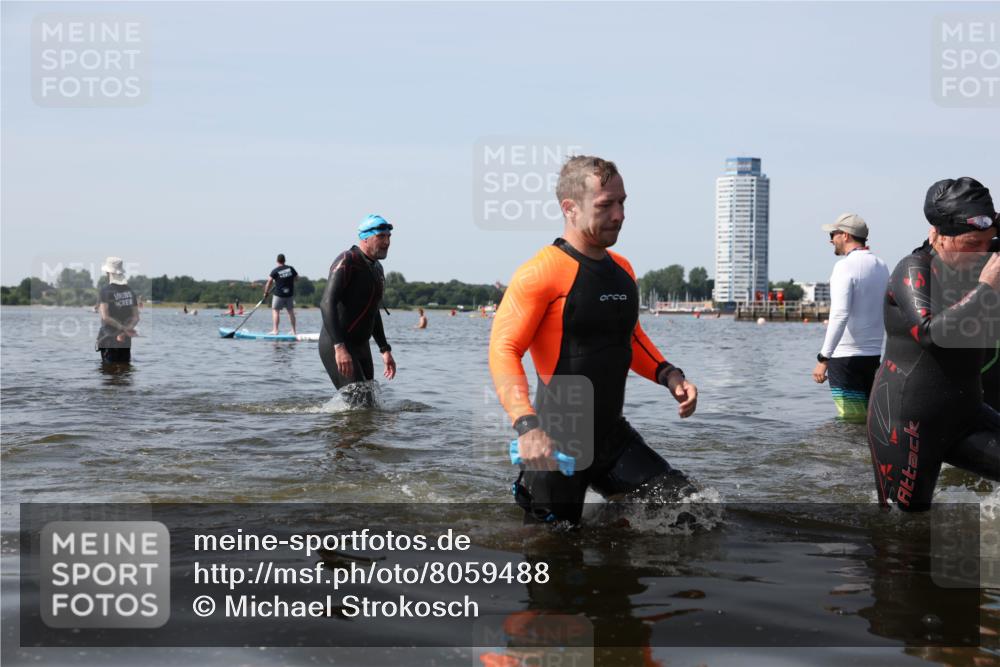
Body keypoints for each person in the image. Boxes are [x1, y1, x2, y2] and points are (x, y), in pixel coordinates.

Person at [489, 156, 698, 525]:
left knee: (691, 510)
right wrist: (527, 426)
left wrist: (670, 375)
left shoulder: (623, 270)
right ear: (569, 208)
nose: (619, 215)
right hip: (555, 442)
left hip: (612, 437)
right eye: (606, 205)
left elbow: (630, 336)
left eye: (622, 203)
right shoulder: (541, 272)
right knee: (554, 554)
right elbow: (504, 350)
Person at [867, 177, 1000, 511]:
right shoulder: (912, 271)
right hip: (909, 423)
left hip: (967, 414)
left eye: (989, 242)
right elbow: (929, 332)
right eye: (972, 244)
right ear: (936, 236)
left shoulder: (983, 253)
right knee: (904, 527)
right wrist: (985, 289)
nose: (982, 252)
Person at [811, 213, 890, 422]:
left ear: (845, 235)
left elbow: (839, 314)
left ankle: (849, 455)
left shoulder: (844, 266)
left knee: (850, 420)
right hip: (872, 356)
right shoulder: (881, 266)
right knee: (867, 420)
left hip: (845, 358)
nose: (830, 240)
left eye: (833, 234)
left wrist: (823, 358)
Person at [319, 215, 397, 404]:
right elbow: (326, 303)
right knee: (359, 403)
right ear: (365, 238)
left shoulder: (377, 268)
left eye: (389, 237)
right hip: (338, 344)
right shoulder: (347, 261)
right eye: (381, 236)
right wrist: (340, 347)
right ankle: (343, 433)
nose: (387, 242)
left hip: (361, 346)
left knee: (368, 404)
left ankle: (355, 432)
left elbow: (373, 311)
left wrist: (384, 349)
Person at [96, 256, 139, 364]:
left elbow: (105, 317)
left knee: (109, 375)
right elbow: (136, 318)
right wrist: (125, 331)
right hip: (125, 340)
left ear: (108, 272)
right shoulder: (130, 291)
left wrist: (121, 329)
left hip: (109, 339)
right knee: (125, 373)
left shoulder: (105, 291)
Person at [263, 253, 298, 335]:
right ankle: (294, 331)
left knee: (275, 311)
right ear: (284, 260)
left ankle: (275, 330)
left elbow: (269, 282)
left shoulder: (275, 271)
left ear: (277, 261)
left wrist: (266, 292)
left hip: (279, 295)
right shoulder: (290, 269)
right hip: (289, 294)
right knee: (290, 312)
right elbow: (297, 278)